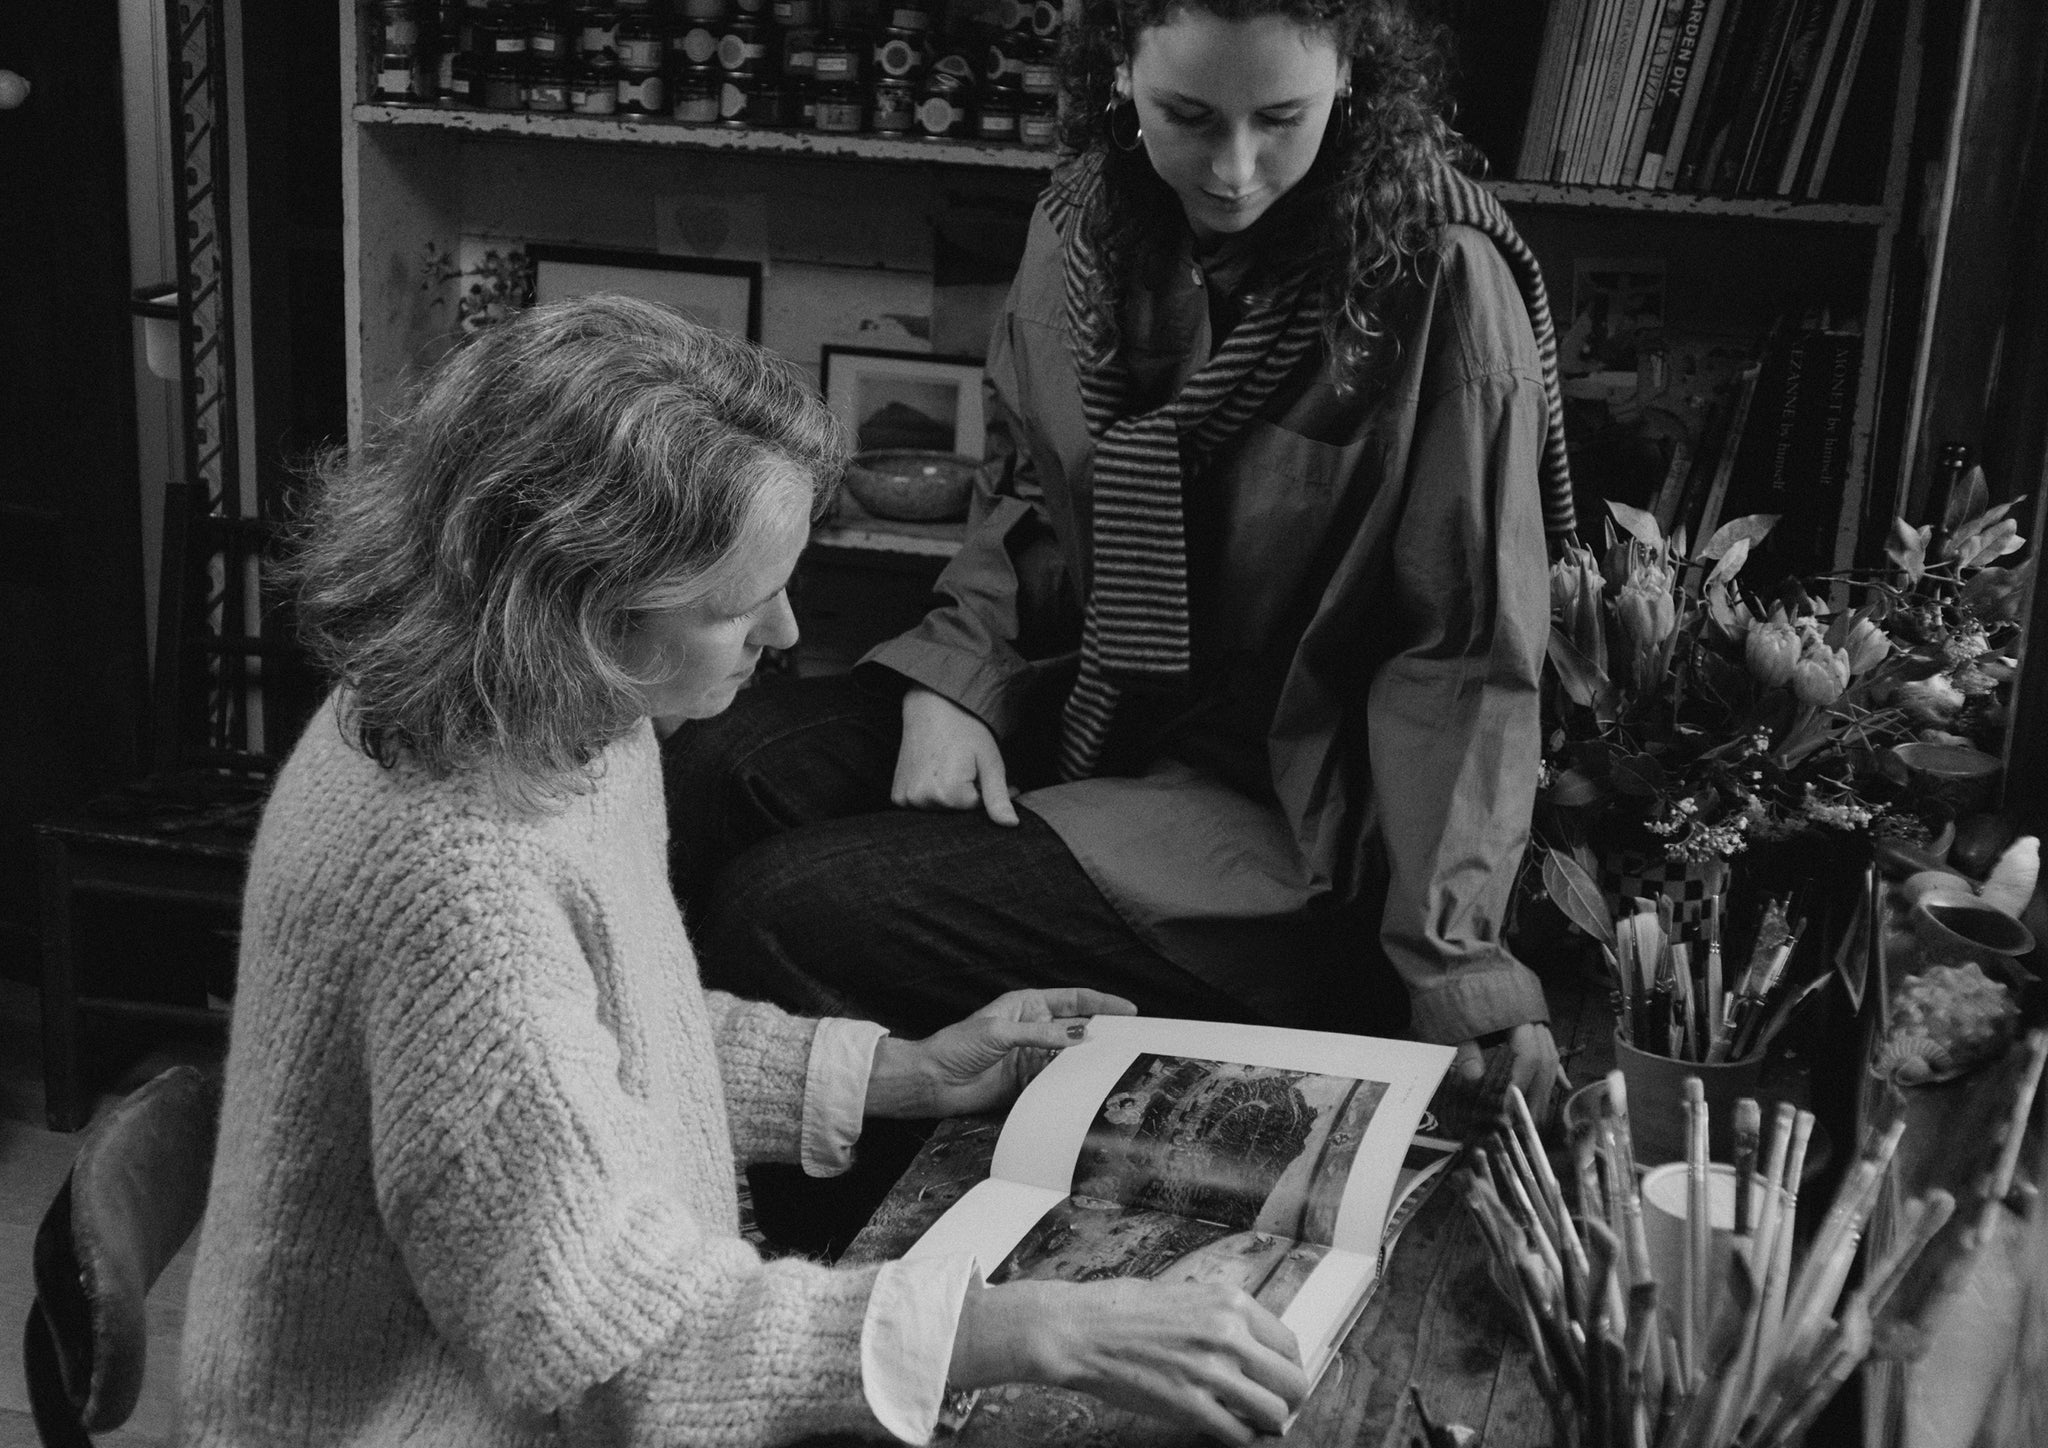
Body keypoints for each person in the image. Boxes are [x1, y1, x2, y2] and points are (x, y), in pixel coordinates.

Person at [179, 296, 1310, 1447]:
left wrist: (902, 1072)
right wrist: (1037, 1330)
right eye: (736, 604)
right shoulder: (459, 884)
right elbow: (626, 1358)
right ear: (584, 607)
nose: (780, 632)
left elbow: (618, 1036)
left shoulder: (552, 710)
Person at [665, 0, 1575, 1113]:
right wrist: (956, 680)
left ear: (1354, 79)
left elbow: (1464, 653)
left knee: (788, 910)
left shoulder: (1434, 275)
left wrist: (1455, 961)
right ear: (1118, 74)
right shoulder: (1081, 228)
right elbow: (1026, 492)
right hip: (1083, 709)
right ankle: (681, 1176)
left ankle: (888, 1254)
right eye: (1185, 115)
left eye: (1281, 119)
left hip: (1283, 812)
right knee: (715, 770)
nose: (1235, 171)